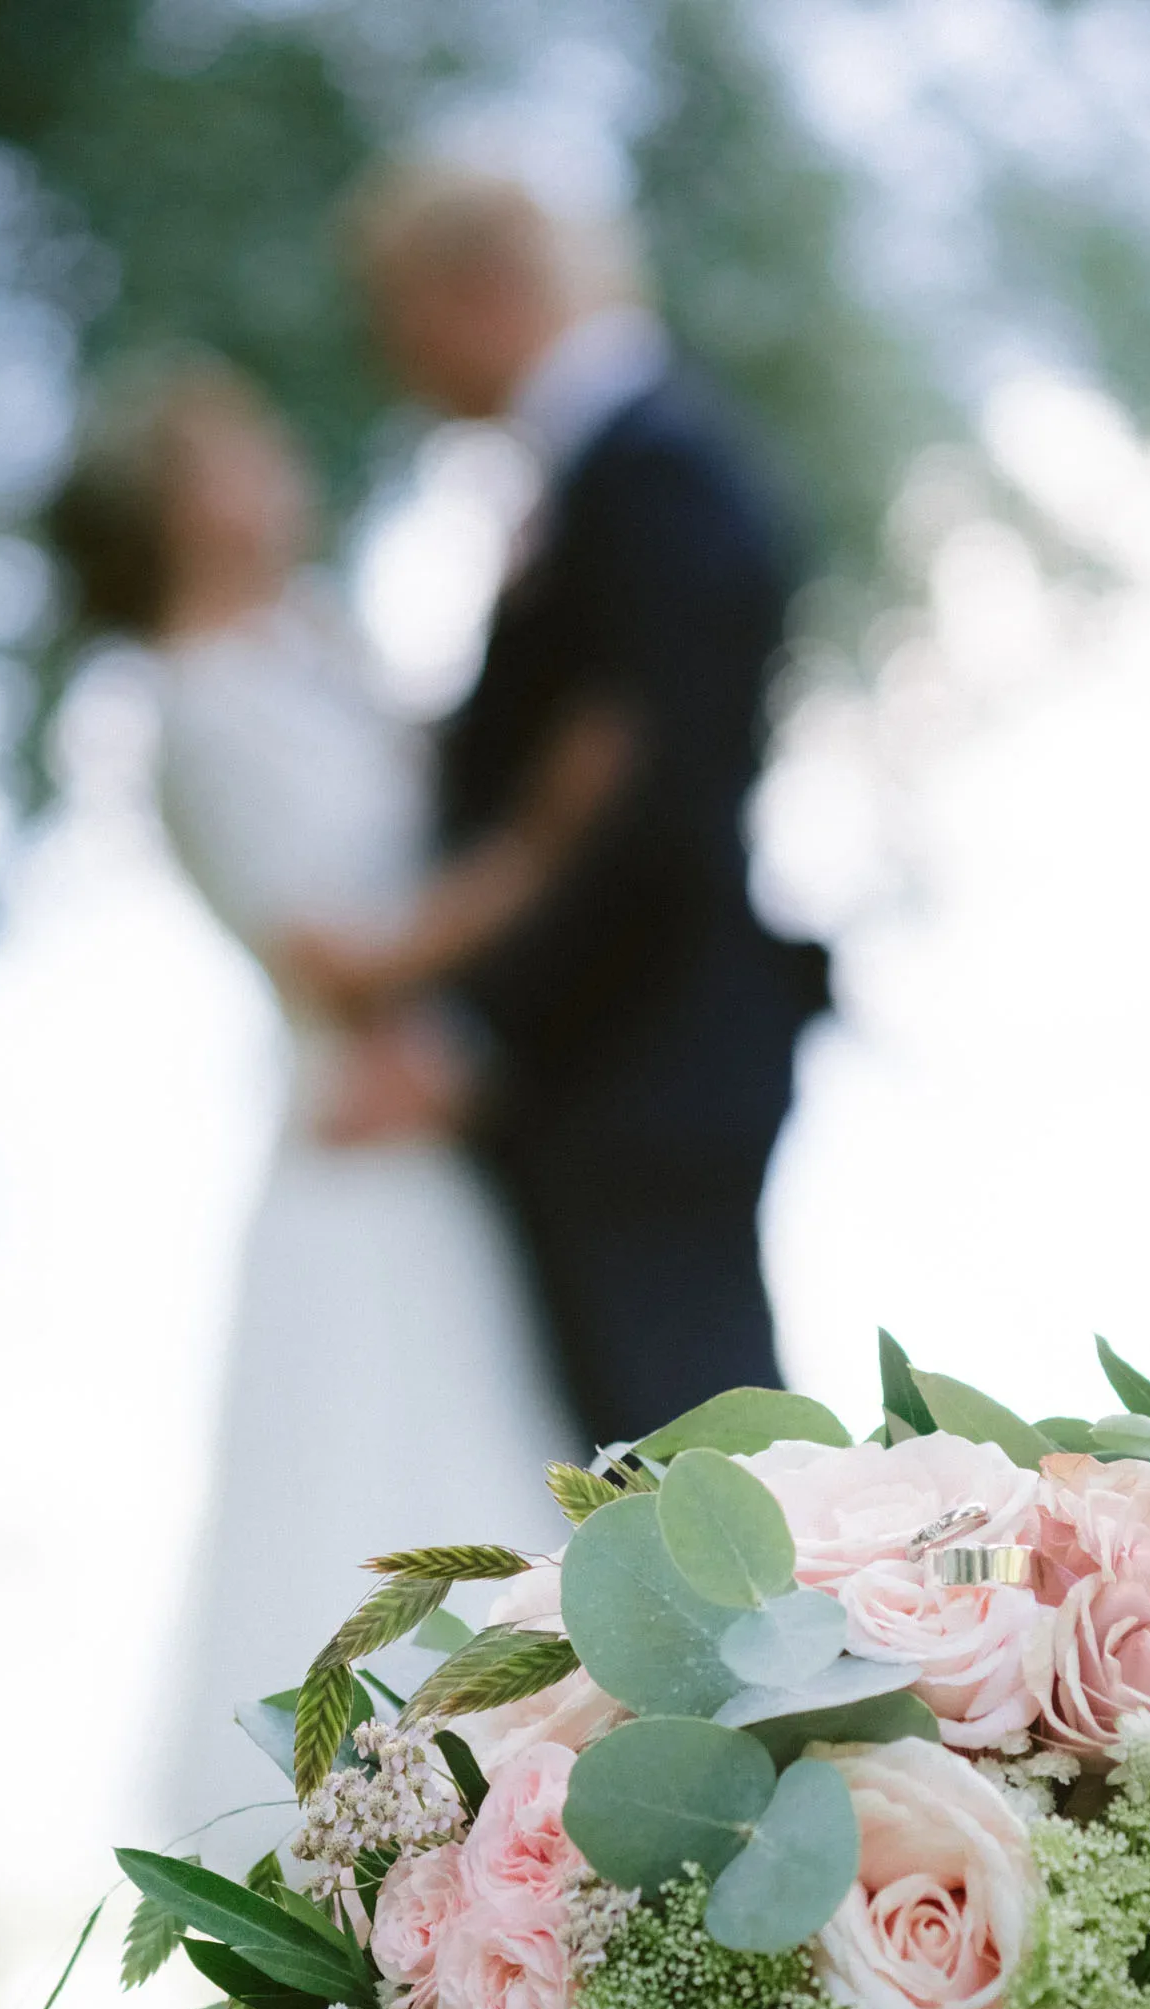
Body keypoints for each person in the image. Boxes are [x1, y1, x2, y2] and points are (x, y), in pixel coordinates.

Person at [44, 361, 574, 1863]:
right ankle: (360, 1886)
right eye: (231, 439)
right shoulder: (188, 706)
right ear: (177, 507)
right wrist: (555, 839)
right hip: (360, 1153)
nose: (274, 450)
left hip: (426, 1130)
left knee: (482, 1465)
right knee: (371, 1495)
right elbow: (333, 951)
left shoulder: (308, 648)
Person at [282, 170, 829, 1449]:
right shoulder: (595, 481)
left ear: (474, 293)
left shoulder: (657, 475)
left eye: (394, 313)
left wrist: (472, 1031)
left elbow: (653, 810)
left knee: (706, 1508)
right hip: (611, 1073)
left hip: (641, 1071)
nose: (390, 356)